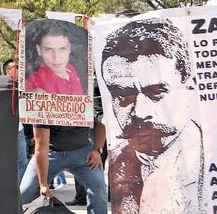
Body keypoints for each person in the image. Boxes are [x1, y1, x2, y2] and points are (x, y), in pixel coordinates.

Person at [100, 18, 203, 214]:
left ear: (189, 86)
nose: (139, 111)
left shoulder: (207, 159)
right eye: (123, 95)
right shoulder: (120, 163)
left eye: (156, 92)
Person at [19, 114, 108, 214]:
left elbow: (100, 125)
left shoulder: (83, 100)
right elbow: (41, 148)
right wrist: (43, 184)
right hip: (50, 152)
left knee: (98, 188)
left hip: (83, 152)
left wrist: (97, 149)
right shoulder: (44, 107)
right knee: (24, 193)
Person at [25, 19, 84, 95]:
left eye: (62, 49)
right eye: (49, 50)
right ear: (39, 50)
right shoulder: (36, 83)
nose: (56, 57)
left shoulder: (70, 69)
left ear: (69, 48)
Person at [4, 58, 28, 184]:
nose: (19, 69)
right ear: (8, 71)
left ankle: (16, 192)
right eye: (16, 67)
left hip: (19, 130)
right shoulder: (1, 86)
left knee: (21, 162)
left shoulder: (22, 85)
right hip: (3, 130)